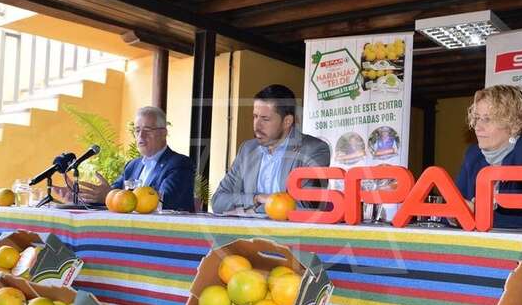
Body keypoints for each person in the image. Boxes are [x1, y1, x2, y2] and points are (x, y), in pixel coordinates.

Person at [212, 84, 330, 214]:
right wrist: (256, 199)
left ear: (287, 121)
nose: (257, 125)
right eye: (255, 116)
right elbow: (218, 201)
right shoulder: (247, 149)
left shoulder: (314, 149)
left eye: (265, 119)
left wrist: (254, 208)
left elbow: (306, 206)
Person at [57, 107, 194, 211]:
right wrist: (82, 197)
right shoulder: (132, 165)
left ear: (163, 133)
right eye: (137, 130)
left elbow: (165, 202)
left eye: (147, 130)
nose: (141, 136)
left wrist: (110, 195)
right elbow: (110, 195)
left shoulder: (180, 164)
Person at [456, 85, 522, 229]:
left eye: (487, 119)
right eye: (477, 118)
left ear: (514, 125)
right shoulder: (473, 154)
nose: (477, 127)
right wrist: (454, 216)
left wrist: (480, 213)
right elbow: (454, 204)